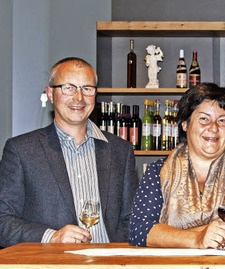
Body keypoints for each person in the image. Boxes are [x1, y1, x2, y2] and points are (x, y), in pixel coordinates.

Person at [0, 57, 138, 247]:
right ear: (50, 93)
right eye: (68, 88)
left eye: (87, 88)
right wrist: (51, 237)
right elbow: (3, 221)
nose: (79, 97)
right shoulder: (21, 150)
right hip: (52, 264)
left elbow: (133, 219)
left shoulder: (121, 151)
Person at [129, 83, 225, 248]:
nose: (214, 128)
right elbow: (139, 230)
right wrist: (197, 239)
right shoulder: (158, 171)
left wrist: (202, 234)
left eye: (222, 120)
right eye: (204, 119)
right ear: (185, 124)